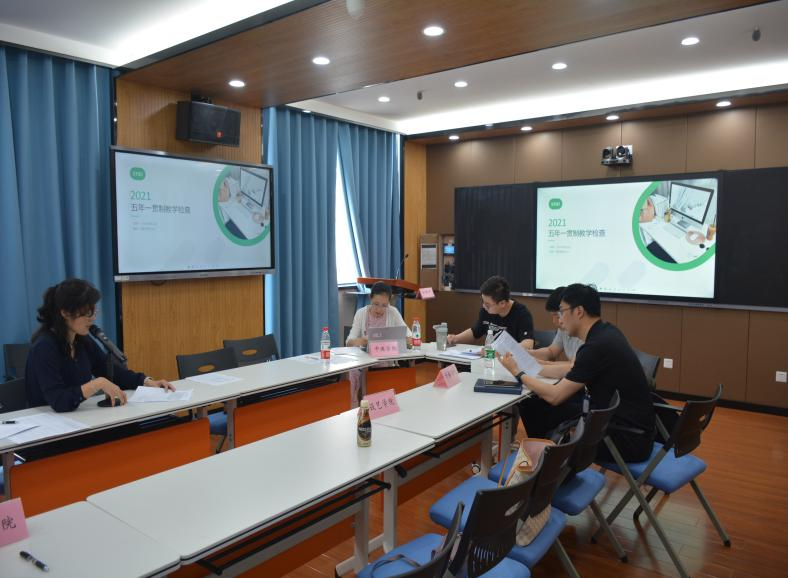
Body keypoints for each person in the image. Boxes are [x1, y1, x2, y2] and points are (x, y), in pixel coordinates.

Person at [499, 283, 655, 462]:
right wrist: (529, 367)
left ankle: (548, 462)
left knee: (539, 407)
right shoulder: (606, 332)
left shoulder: (596, 346)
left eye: (562, 311)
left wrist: (518, 372)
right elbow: (569, 370)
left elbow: (555, 396)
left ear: (579, 311)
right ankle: (546, 459)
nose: (560, 319)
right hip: (624, 427)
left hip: (627, 439)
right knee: (535, 404)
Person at [25, 278, 175, 412]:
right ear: (65, 313)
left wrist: (146, 382)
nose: (92, 319)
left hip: (77, 418)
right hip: (47, 423)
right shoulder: (44, 347)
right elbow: (59, 401)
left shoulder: (82, 341)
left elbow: (111, 372)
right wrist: (97, 384)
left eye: (93, 312)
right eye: (87, 313)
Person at [346, 282, 411, 399]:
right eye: (376, 304)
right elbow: (349, 342)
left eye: (384, 305)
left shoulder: (393, 312)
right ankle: (358, 402)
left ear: (389, 303)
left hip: (385, 362)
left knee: (384, 374)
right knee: (354, 372)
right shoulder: (361, 313)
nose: (379, 310)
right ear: (370, 298)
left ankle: (378, 400)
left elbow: (410, 337)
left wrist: (396, 339)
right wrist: (362, 341)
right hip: (364, 362)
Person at [447, 275, 534, 348]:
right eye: (483, 302)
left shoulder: (521, 314)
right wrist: (456, 338)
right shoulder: (486, 311)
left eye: (487, 305)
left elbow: (528, 344)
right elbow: (476, 331)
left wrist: (500, 350)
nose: (484, 306)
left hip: (510, 361)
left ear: (502, 303)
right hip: (490, 358)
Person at [529, 286, 583, 371]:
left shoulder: (586, 334)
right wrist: (526, 354)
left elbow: (575, 366)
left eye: (558, 316)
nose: (555, 321)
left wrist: (540, 365)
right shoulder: (563, 328)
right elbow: (552, 351)